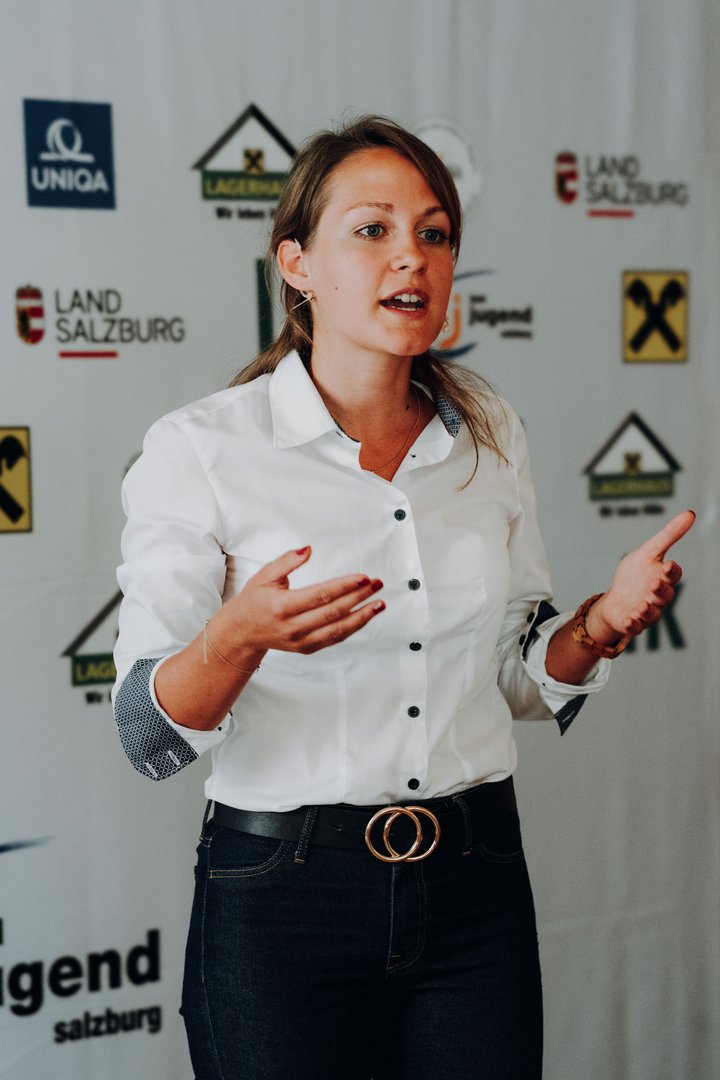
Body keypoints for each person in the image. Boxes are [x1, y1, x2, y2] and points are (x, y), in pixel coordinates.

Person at [112, 115, 693, 1080]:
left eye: (434, 233)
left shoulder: (489, 428)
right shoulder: (201, 449)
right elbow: (145, 733)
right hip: (281, 898)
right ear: (297, 263)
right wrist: (237, 638)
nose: (412, 257)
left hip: (475, 883)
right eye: (372, 230)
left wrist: (599, 625)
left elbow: (516, 673)